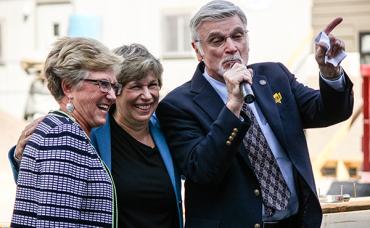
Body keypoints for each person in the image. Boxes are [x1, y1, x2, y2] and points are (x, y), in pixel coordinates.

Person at [155, 1, 354, 227]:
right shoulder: (177, 105)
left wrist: (330, 73)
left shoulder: (273, 75)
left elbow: (329, 112)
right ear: (197, 50)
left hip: (295, 220)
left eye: (238, 36)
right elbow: (202, 171)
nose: (231, 47)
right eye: (217, 40)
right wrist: (233, 106)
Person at [9, 43, 183, 227]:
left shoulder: (166, 129)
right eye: (136, 86)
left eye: (153, 85)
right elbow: (52, 197)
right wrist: (22, 157)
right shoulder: (81, 131)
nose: (147, 95)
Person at [10, 37, 122, 227]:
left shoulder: (58, 128)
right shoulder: (64, 136)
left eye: (113, 86)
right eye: (103, 84)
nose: (112, 96)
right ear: (68, 86)